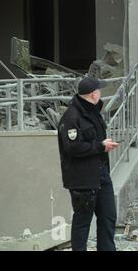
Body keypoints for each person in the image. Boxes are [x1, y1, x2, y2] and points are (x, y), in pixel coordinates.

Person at [57, 77, 119, 251]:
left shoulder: (93, 112)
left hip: (101, 175)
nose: (101, 92)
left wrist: (103, 145)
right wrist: (100, 146)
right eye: (100, 90)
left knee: (108, 217)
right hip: (82, 178)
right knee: (83, 221)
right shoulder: (71, 116)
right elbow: (72, 147)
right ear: (94, 94)